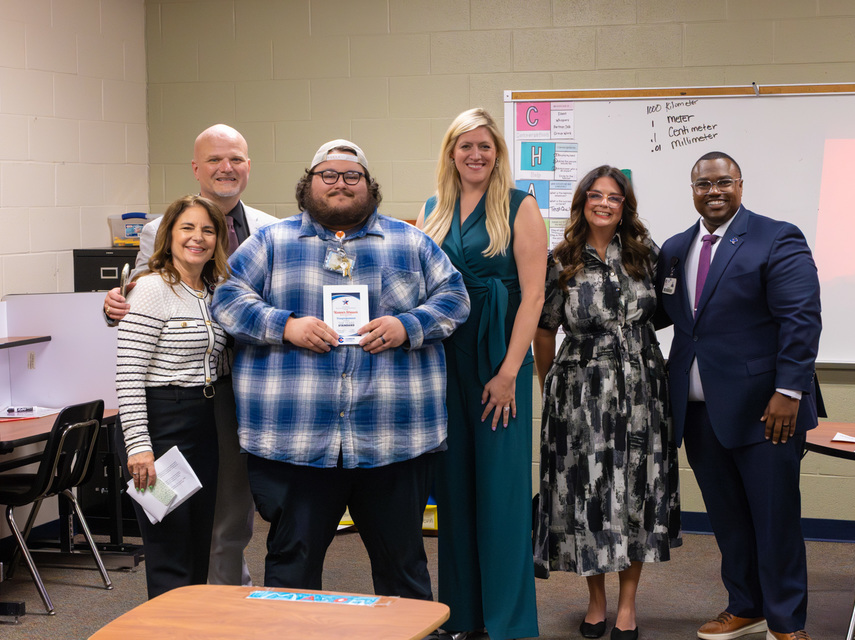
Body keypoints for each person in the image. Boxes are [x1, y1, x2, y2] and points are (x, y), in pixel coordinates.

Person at [211, 140, 469, 598]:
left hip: (393, 440)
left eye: (352, 176)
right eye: (327, 174)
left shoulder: (411, 242)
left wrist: (408, 325)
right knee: (292, 569)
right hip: (296, 442)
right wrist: (284, 326)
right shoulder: (271, 242)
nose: (340, 184)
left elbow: (455, 298)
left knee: (403, 570)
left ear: (370, 187)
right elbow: (227, 299)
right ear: (308, 183)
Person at [655, 152, 822, 640]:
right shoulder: (675, 248)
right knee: (728, 520)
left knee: (775, 521)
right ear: (693, 190)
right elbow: (667, 316)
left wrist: (789, 390)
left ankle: (787, 623)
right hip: (699, 412)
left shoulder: (777, 237)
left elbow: (801, 318)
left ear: (740, 185)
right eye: (704, 184)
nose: (714, 191)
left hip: (766, 412)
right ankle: (745, 606)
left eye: (724, 182)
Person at [105, 124, 275, 587]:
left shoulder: (256, 244)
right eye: (215, 160)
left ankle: (218, 607)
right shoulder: (156, 273)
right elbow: (136, 313)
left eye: (236, 158)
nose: (226, 168)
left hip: (225, 397)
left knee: (215, 519)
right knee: (169, 537)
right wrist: (117, 303)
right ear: (196, 168)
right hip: (165, 416)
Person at [533, 166, 682, 640]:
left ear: (624, 207)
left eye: (613, 197)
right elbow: (543, 327)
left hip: (642, 392)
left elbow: (666, 315)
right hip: (578, 395)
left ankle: (628, 606)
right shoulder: (561, 260)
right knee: (588, 496)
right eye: (595, 196)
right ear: (581, 203)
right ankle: (596, 602)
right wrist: (548, 384)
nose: (604, 203)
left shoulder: (647, 255)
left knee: (636, 493)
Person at [417, 108, 546, 640]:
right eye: (466, 145)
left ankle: (509, 622)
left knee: (501, 493)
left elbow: (534, 295)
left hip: (499, 359)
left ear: (498, 154)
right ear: (451, 152)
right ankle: (464, 617)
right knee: (454, 491)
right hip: (445, 361)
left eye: (485, 147)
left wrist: (510, 371)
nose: (476, 154)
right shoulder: (432, 208)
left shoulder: (521, 206)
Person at [115, 194, 229, 598]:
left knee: (199, 544)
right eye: (188, 228)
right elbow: (128, 375)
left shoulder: (214, 290)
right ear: (169, 236)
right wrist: (139, 447)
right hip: (159, 428)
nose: (197, 238)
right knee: (169, 550)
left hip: (202, 422)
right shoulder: (150, 289)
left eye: (208, 230)